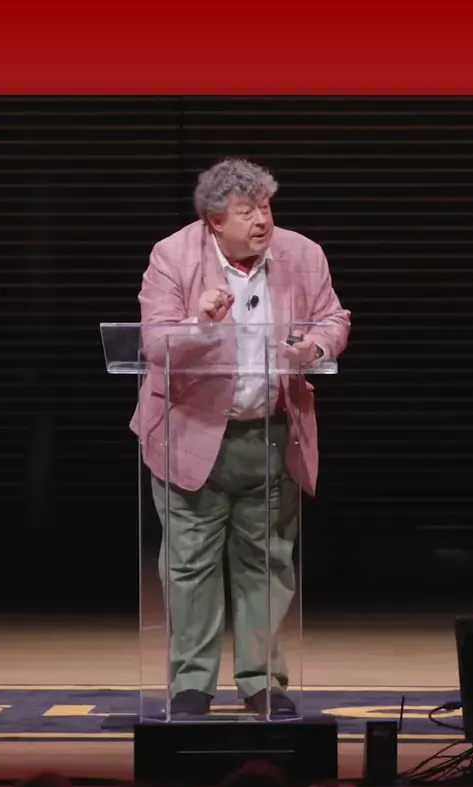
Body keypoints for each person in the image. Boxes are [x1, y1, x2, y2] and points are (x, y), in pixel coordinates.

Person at [130, 157, 352, 717]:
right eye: (245, 211)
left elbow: (334, 318)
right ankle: (191, 684)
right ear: (213, 220)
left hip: (273, 435)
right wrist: (202, 324)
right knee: (188, 567)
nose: (261, 220)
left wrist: (316, 348)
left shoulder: (304, 254)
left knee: (268, 562)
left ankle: (261, 682)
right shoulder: (171, 256)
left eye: (266, 207)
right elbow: (155, 346)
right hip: (190, 438)